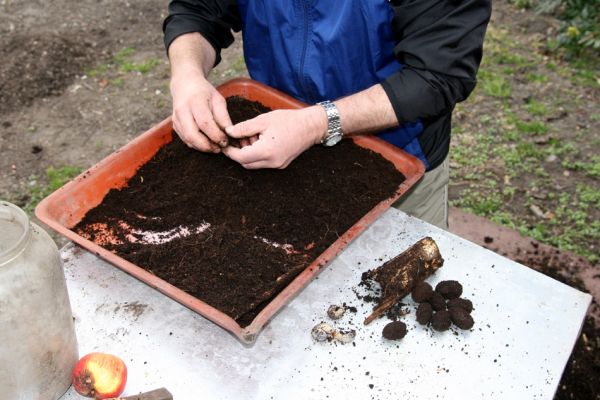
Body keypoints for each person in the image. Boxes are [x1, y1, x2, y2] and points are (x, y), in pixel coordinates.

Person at [163, 0, 492, 229]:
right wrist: (187, 75)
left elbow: (437, 75)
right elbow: (197, 11)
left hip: (396, 160)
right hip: (278, 150)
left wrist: (316, 123)